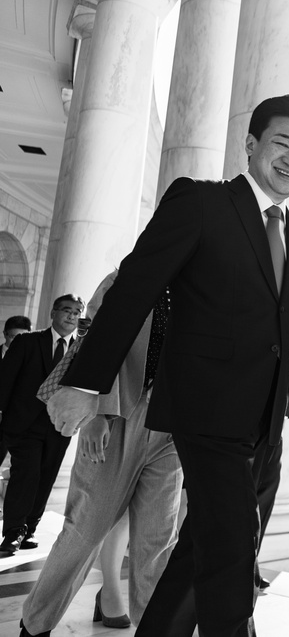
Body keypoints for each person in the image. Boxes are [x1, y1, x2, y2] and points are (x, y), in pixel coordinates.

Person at [46, 94, 289, 637]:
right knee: (232, 551)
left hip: (266, 423)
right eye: (281, 143)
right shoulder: (199, 203)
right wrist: (84, 382)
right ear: (251, 145)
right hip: (204, 410)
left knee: (204, 545)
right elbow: (135, 290)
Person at [18, 271, 183, 637]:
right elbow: (94, 339)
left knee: (157, 541)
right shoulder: (129, 273)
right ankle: (34, 625)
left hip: (172, 422)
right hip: (117, 413)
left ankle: (152, 629)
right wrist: (96, 412)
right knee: (85, 532)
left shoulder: (204, 279)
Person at [0, 294, 84, 556]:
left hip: (59, 425)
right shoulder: (27, 341)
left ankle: (29, 530)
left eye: (77, 312)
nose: (71, 316)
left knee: (46, 477)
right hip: (25, 424)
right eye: (66, 310)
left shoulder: (83, 349)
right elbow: (5, 380)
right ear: (53, 313)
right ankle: (13, 533)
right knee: (26, 475)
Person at [0, 315, 33, 471]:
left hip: (17, 420)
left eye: (22, 337)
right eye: (13, 337)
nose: (17, 342)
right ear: (5, 334)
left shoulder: (33, 362)